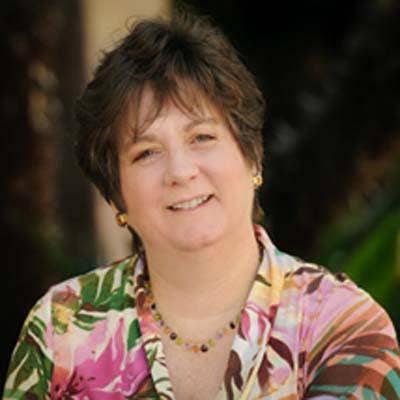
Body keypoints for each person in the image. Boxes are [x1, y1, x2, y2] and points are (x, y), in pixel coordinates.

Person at [3, 9, 400, 400]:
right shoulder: (61, 328)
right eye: (146, 153)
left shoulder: (342, 326)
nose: (180, 171)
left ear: (253, 158)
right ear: (115, 194)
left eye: (202, 138)